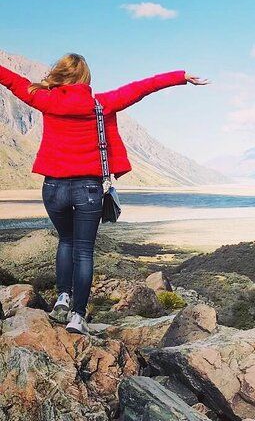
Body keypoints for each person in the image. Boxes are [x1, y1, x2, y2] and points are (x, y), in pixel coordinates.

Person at [0, 53, 209, 334]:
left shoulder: (45, 100)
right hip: (88, 188)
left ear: (61, 75)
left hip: (53, 187)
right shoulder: (102, 103)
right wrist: (180, 77)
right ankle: (77, 316)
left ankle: (63, 297)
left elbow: (12, 80)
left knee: (66, 241)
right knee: (84, 251)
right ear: (86, 77)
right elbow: (141, 88)